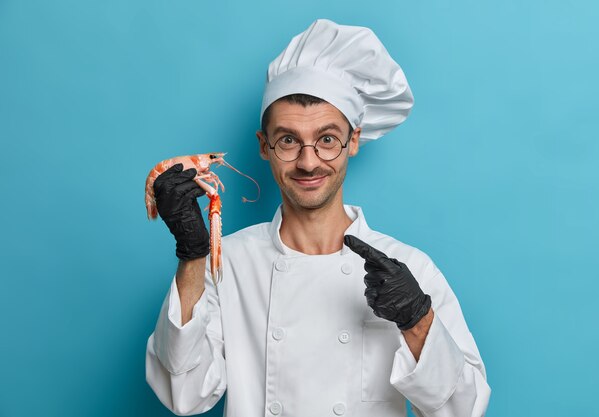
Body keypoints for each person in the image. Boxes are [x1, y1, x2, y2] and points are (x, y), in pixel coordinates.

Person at [146, 19, 490, 417]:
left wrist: (417, 320)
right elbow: (183, 394)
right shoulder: (227, 263)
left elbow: (465, 409)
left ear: (353, 141)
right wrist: (192, 255)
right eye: (288, 140)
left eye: (327, 139)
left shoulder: (410, 270)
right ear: (264, 146)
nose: (308, 162)